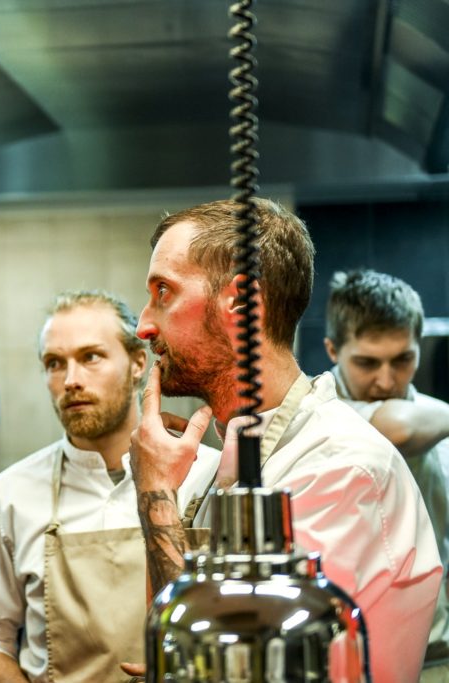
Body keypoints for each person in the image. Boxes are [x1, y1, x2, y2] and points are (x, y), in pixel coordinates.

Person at [127, 197, 442, 682]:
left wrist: (155, 497)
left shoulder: (339, 467)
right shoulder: (220, 462)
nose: (145, 324)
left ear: (243, 304)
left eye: (164, 292)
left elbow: (234, 673)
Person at [0, 290, 219, 683]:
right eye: (54, 364)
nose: (71, 381)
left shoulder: (209, 477)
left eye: (90, 357)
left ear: (137, 363)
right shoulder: (7, 497)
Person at [325, 269, 449, 674]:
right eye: (366, 362)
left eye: (402, 360)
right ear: (332, 350)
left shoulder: (440, 424)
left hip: (439, 654)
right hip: (350, 661)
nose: (386, 380)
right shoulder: (318, 415)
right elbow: (399, 427)